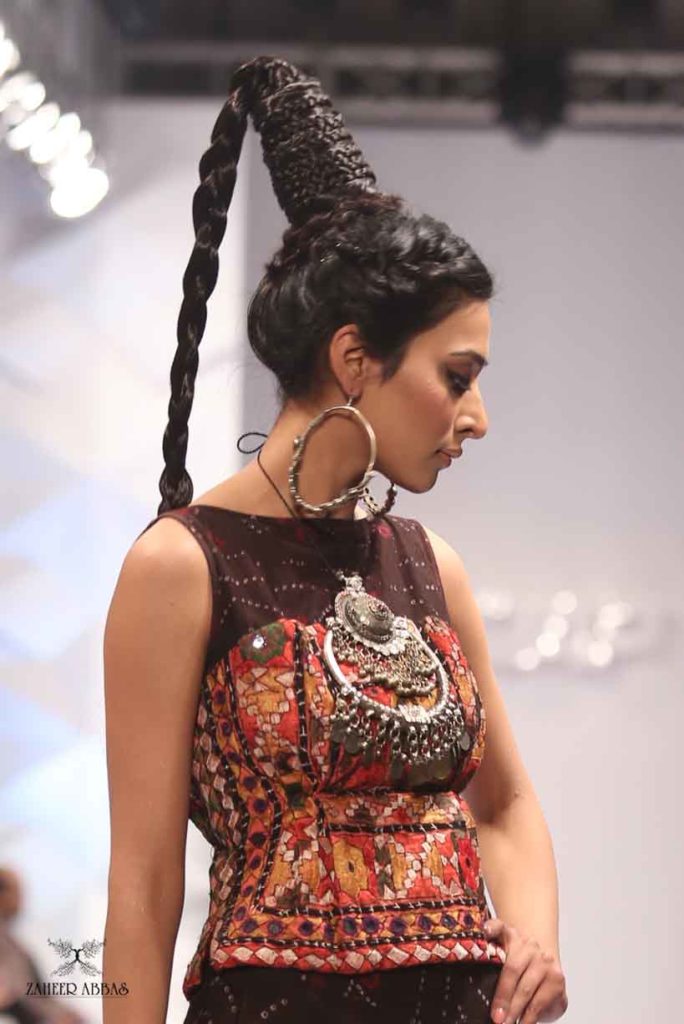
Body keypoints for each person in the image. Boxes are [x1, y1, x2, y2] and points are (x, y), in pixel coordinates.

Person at [102, 55, 568, 1024]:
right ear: (355, 357)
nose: (477, 417)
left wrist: (532, 943)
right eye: (458, 376)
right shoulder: (182, 564)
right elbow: (143, 881)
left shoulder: (429, 565)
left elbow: (507, 804)